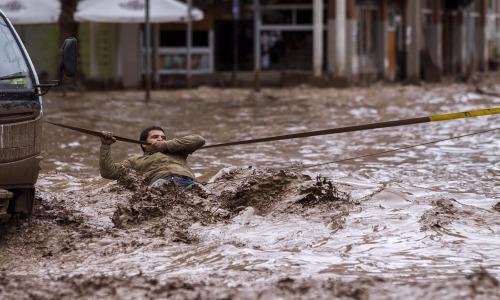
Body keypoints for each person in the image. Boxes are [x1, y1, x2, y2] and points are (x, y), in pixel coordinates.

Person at [99, 126, 205, 188]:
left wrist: (166, 145)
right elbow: (109, 172)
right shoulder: (135, 160)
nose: (160, 139)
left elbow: (199, 140)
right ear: (144, 144)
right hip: (161, 184)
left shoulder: (178, 152)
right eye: (155, 137)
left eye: (163, 138)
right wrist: (105, 146)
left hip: (190, 183)